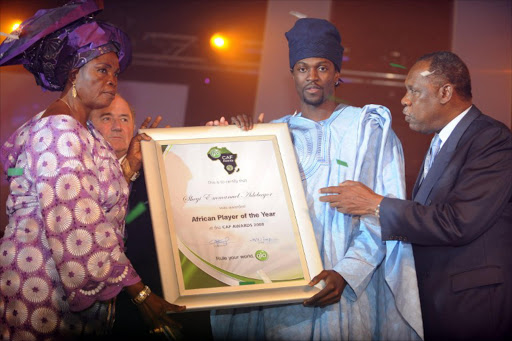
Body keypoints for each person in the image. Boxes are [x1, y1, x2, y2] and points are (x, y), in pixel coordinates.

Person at [210, 18, 423, 340]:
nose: (312, 77)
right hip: (279, 291)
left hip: (348, 289)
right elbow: (241, 212)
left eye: (322, 68)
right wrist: (234, 142)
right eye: (302, 68)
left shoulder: (367, 129)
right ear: (292, 75)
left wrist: (347, 272)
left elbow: (385, 211)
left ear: (337, 74)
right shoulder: (272, 135)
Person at [0, 1, 183, 339]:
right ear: (73, 74)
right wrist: (141, 294)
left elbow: (95, 198)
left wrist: (129, 166)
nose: (112, 80)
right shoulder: (58, 130)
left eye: (115, 73)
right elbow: (77, 222)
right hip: (43, 291)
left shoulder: (84, 131)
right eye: (102, 70)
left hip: (64, 295)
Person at [329, 51, 512, 340]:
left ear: (445, 92)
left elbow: (458, 221)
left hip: (473, 308)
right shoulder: (442, 141)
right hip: (441, 304)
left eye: (413, 90)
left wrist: (375, 204)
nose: (404, 99)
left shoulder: (491, 138)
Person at [89, 94, 213, 340]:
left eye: (124, 118)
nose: (117, 125)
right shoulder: (77, 176)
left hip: (158, 306)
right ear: (88, 127)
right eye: (107, 117)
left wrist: (211, 142)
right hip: (96, 311)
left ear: (133, 127)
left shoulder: (160, 171)